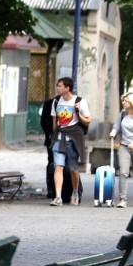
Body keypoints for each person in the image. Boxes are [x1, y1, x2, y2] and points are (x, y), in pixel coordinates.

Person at [49, 77, 90, 207]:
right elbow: (55, 122)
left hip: (73, 140)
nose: (57, 88)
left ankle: (75, 192)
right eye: (57, 86)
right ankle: (58, 197)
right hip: (59, 139)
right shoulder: (56, 101)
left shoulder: (80, 101)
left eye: (59, 86)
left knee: (73, 169)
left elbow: (88, 121)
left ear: (67, 88)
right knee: (58, 167)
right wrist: (54, 136)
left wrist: (77, 112)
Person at [109, 92, 133, 208]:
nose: (123, 102)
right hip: (124, 147)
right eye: (123, 100)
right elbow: (116, 126)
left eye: (126, 100)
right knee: (123, 173)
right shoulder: (122, 114)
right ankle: (123, 200)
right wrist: (113, 132)